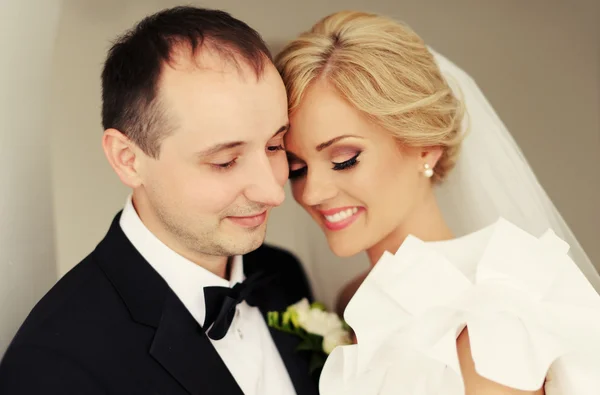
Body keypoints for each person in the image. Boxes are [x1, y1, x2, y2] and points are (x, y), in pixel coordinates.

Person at [276, 10, 600, 395]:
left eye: (344, 159)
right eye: (296, 168)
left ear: (425, 147)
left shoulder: (489, 321)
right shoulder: (352, 301)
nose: (311, 192)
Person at [0, 6, 318, 395]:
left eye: (274, 145)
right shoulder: (54, 366)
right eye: (224, 161)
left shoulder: (282, 274)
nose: (272, 192)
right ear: (128, 159)